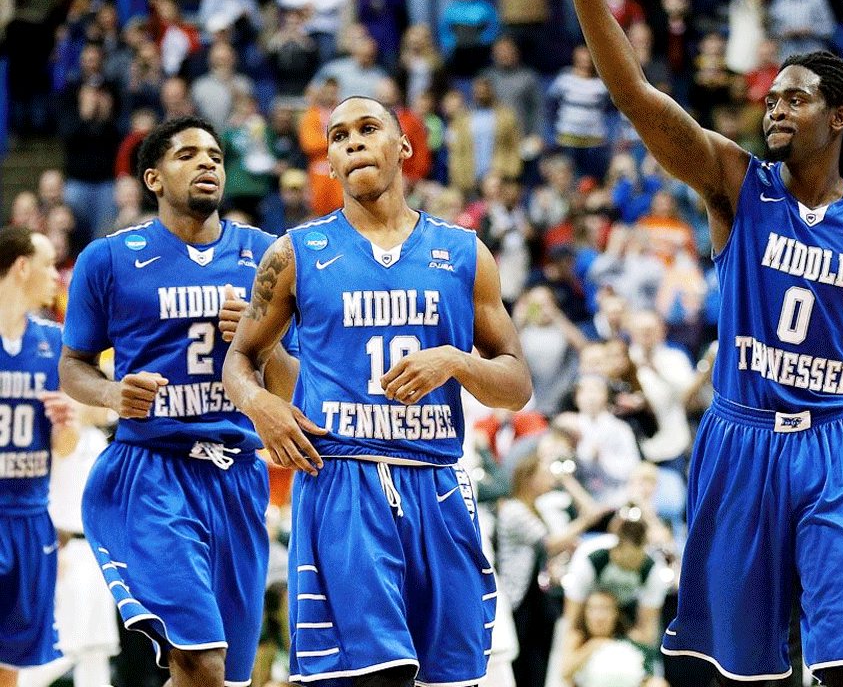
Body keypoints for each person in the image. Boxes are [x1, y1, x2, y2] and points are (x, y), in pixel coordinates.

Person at [535, 0, 843, 687]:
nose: (774, 106)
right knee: (741, 672)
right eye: (770, 98)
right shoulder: (736, 184)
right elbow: (636, 98)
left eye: (793, 98)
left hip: (837, 443)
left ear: (838, 116)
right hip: (742, 437)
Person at [222, 94, 534, 687]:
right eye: (339, 137)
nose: (353, 142)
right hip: (345, 482)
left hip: (438, 484)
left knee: (453, 679)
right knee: (375, 676)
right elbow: (242, 356)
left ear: (405, 148)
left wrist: (454, 361)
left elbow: (517, 385)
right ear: (331, 165)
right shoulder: (293, 253)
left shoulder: (465, 253)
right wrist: (260, 404)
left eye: (368, 129)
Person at [59, 116, 297, 687]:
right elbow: (73, 367)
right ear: (154, 178)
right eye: (188, 154)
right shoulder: (109, 258)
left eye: (215, 154)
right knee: (202, 659)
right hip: (151, 472)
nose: (208, 162)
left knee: (222, 678)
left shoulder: (269, 255)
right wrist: (114, 393)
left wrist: (261, 345)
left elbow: (290, 389)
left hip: (238, 476)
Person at [0, 226, 78, 687]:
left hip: (31, 516)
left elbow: (63, 450)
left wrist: (66, 424)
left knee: (12, 659)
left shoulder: (51, 340)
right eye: (49, 265)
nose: (56, 276)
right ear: (22, 266)